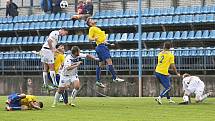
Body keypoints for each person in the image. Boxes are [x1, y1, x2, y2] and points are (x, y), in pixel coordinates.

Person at [86, 18, 124, 88]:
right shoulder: (92, 28)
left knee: (101, 64)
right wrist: (95, 38)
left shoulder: (97, 28)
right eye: (91, 20)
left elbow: (102, 41)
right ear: (90, 23)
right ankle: (115, 78)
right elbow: (90, 39)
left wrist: (109, 44)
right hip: (101, 47)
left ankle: (98, 81)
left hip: (101, 46)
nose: (93, 20)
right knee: (109, 61)